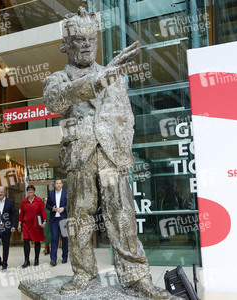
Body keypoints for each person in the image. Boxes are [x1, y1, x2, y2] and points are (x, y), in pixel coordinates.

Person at [43, 8, 171, 299]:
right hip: (80, 157)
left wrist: (123, 153)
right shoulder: (57, 78)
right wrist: (99, 80)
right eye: (79, 40)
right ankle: (83, 275)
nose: (87, 45)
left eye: (91, 39)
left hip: (111, 158)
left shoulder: (114, 76)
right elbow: (55, 101)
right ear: (66, 45)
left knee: (122, 215)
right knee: (80, 218)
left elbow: (125, 116)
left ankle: (136, 277)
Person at [18, 185, 47, 268]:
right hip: (26, 224)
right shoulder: (24, 202)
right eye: (29, 190)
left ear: (34, 191)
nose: (30, 191)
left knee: (37, 242)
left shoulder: (39, 200)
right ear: (27, 191)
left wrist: (44, 221)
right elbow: (21, 214)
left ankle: (36, 259)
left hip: (36, 224)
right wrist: (19, 224)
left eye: (32, 190)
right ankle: (26, 260)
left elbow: (43, 212)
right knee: (26, 241)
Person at [46, 178, 68, 266]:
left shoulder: (66, 193)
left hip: (63, 219)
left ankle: (65, 257)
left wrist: (64, 208)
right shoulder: (51, 193)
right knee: (54, 239)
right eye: (57, 183)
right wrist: (52, 208)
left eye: (60, 183)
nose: (58, 185)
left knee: (64, 239)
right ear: (54, 185)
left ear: (62, 184)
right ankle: (53, 259)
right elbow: (47, 205)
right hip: (54, 220)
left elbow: (70, 203)